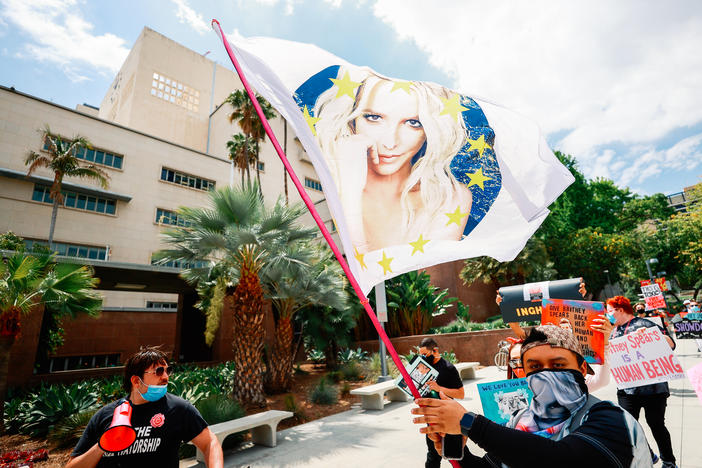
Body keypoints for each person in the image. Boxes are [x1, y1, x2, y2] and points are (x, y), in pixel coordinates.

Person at [411, 324, 653, 467]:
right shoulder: (520, 422)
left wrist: (468, 423)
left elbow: (558, 460)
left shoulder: (611, 418)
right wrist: (460, 453)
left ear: (581, 369)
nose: (546, 374)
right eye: (535, 368)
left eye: (558, 365)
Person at [314, 67, 473, 253]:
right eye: (374, 118)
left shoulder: (448, 198)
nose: (390, 143)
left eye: (413, 123)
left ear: (429, 131)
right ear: (351, 120)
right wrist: (350, 190)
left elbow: (371, 271)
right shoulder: (333, 178)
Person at [67, 347, 223, 468]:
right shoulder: (105, 415)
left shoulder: (178, 409)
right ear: (136, 381)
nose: (166, 377)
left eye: (168, 370)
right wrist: (102, 446)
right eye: (159, 371)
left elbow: (210, 442)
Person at [607, 296, 677, 468]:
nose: (607, 315)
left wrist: (651, 337)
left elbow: (671, 344)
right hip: (626, 388)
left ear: (620, 310)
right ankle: (648, 453)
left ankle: (669, 461)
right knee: (629, 425)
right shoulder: (612, 331)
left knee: (656, 425)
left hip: (653, 388)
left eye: (609, 311)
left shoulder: (645, 324)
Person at [414, 337, 464, 468]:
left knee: (455, 455)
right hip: (431, 417)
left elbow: (460, 393)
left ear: (435, 350)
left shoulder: (448, 368)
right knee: (432, 456)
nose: (422, 357)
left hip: (449, 417)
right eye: (420, 355)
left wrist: (439, 388)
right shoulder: (422, 368)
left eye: (425, 354)